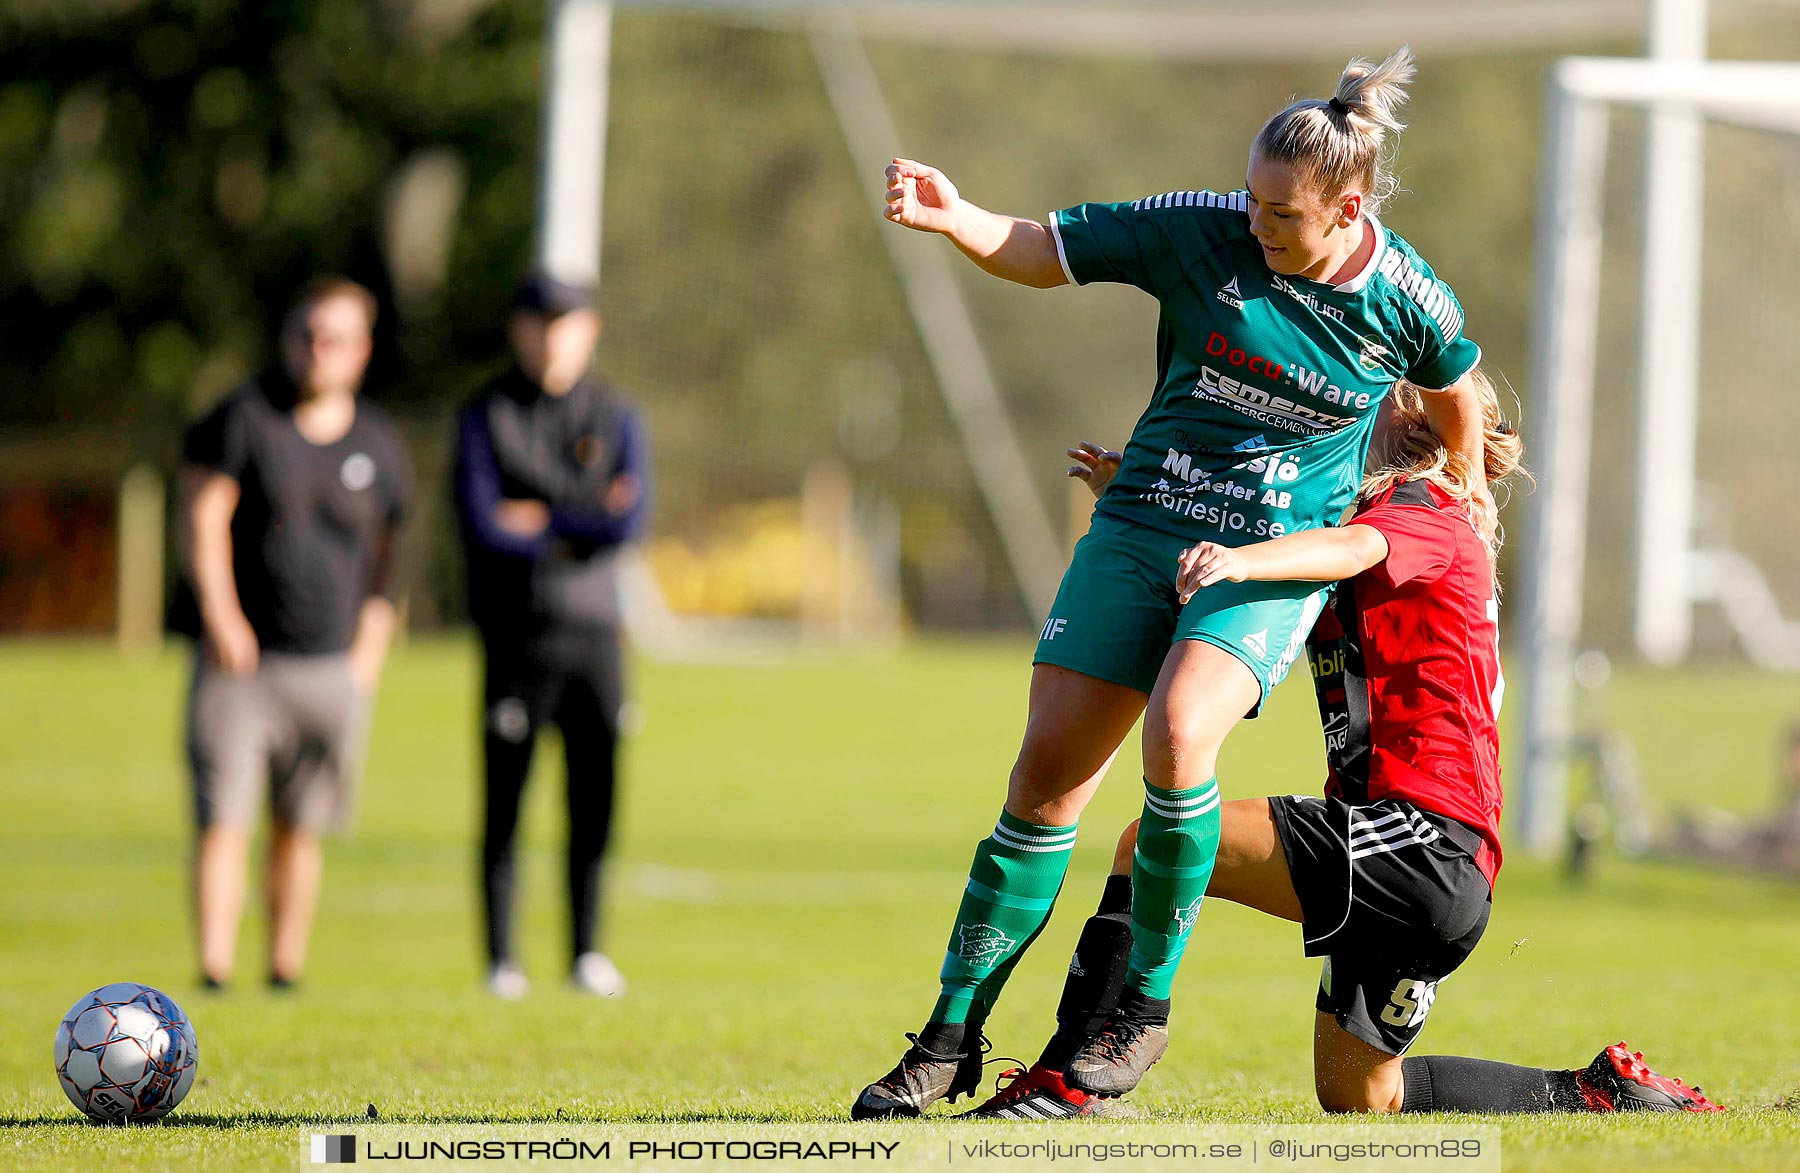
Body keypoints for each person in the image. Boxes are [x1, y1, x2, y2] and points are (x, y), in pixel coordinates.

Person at [855, 47, 1500, 1118]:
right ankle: (948, 1036)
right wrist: (960, 217)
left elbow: (1456, 386)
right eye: (1250, 200)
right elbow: (1047, 247)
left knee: (1180, 735)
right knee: (1044, 780)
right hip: (1145, 522)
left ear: (1346, 209)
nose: (1255, 224)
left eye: (1281, 215)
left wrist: (1469, 484)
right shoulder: (1203, 225)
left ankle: (1137, 1012)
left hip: (1261, 554)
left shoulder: (1405, 292)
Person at [965, 380, 1722, 1119]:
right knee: (1361, 1093)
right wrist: (1143, 500)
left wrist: (1242, 560)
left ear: (1401, 427)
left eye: (1363, 402)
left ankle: (1066, 1079)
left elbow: (1350, 544)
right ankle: (1592, 1091)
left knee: (1152, 842)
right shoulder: (1396, 518)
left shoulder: (1424, 508)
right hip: (1447, 873)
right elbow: (1301, 541)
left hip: (1417, 839)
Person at [173, 275, 410, 992]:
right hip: (242, 665)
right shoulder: (244, 417)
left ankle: (284, 968)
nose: (318, 350)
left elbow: (394, 556)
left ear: (361, 349)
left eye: (335, 337)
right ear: (288, 339)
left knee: (298, 825)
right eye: (307, 334)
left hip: (329, 666)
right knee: (224, 819)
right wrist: (221, 615)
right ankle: (214, 967)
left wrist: (368, 652)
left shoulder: (378, 440)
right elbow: (203, 515)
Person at [452, 270, 649, 1000]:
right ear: (519, 329)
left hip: (597, 636)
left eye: (567, 320)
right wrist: (581, 513)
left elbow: (625, 523)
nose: (553, 335)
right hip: (516, 634)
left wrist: (538, 514)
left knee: (594, 798)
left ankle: (587, 952)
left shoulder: (616, 413)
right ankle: (502, 957)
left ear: (589, 329)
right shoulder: (486, 412)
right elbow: (482, 524)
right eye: (540, 320)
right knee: (505, 799)